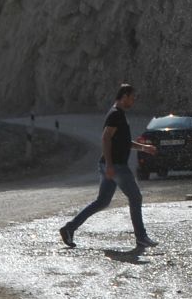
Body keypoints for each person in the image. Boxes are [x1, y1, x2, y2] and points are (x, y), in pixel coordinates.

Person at [60, 83, 158, 250]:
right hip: (116, 166)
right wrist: (111, 165)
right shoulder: (115, 115)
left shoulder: (118, 114)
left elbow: (123, 142)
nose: (133, 101)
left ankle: (69, 228)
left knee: (102, 201)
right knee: (136, 197)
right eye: (132, 98)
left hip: (109, 165)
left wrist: (144, 148)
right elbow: (106, 138)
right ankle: (141, 237)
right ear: (125, 96)